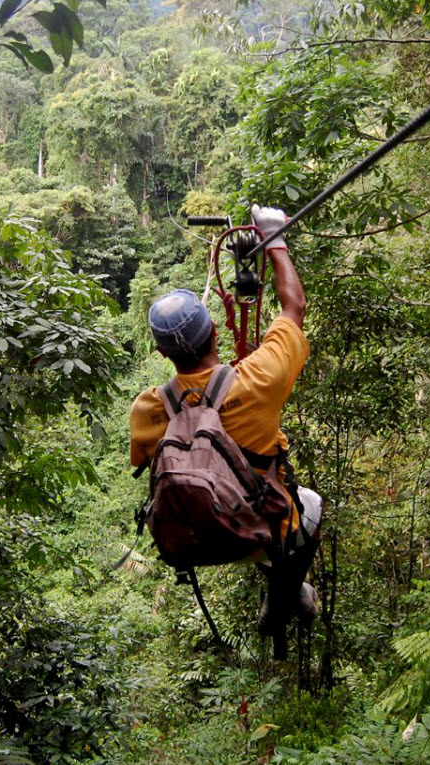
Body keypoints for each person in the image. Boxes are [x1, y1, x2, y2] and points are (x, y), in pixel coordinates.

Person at [129, 205, 323, 637]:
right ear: (215, 332)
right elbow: (293, 308)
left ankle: (279, 596)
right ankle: (283, 598)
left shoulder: (148, 408)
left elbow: (140, 459)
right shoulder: (260, 378)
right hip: (259, 531)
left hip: (195, 538)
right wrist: (275, 238)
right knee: (310, 505)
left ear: (162, 353)